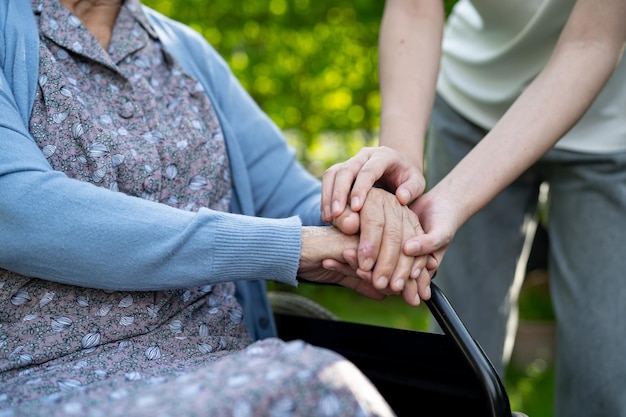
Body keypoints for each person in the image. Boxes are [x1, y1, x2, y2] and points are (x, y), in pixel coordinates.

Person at [0, 1, 425, 416]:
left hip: (227, 363)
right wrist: (290, 246)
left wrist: (370, 206)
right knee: (315, 381)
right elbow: (18, 206)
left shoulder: (185, 51)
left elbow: (295, 202)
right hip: (52, 378)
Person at [320, 1, 626, 417]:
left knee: (606, 372)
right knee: (458, 363)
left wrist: (452, 197)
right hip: (470, 106)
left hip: (610, 129)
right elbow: (414, 9)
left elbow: (592, 41)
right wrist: (401, 160)